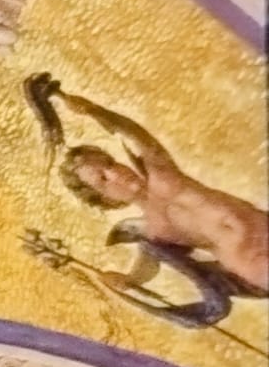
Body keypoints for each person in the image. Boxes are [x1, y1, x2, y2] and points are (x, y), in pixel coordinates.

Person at [30, 75, 268, 315]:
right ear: (107, 199)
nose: (116, 173)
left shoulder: (162, 173)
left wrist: (94, 111)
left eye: (110, 163)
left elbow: (135, 133)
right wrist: (127, 280)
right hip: (253, 262)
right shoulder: (154, 230)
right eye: (103, 179)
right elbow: (146, 268)